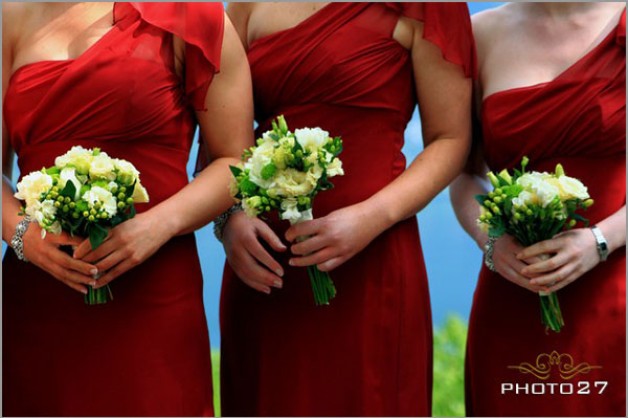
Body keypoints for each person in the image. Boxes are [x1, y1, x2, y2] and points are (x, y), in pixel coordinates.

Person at [216, 2, 475, 416]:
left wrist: (373, 217)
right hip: (266, 266)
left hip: (372, 260)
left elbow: (451, 139)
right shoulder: (247, 6)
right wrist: (228, 219)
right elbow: (221, 144)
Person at [2, 2, 253, 416]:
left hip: (151, 293)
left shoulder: (193, 14)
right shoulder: (12, 17)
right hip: (40, 295)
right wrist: (24, 233)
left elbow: (235, 160)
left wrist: (157, 225)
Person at [450, 3, 626, 416]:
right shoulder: (480, 33)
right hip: (513, 286)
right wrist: (491, 241)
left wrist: (599, 241)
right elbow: (463, 175)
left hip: (617, 283)